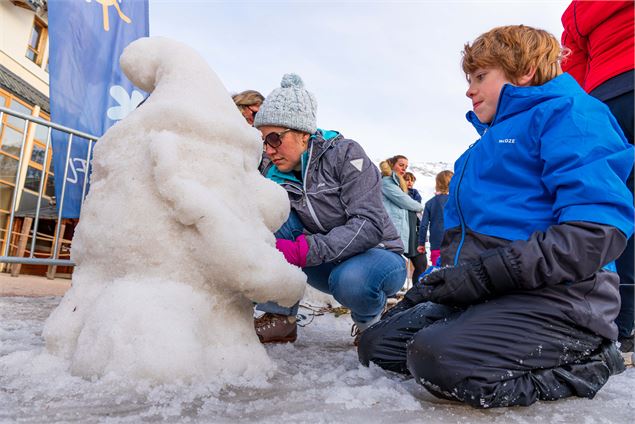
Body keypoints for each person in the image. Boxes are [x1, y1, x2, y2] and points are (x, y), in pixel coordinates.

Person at [358, 25, 634, 408]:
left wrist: (483, 275)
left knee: (440, 359)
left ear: (523, 72)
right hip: (493, 293)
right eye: (469, 79)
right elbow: (461, 237)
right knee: (379, 346)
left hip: (560, 299)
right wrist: (433, 287)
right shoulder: (480, 147)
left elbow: (594, 233)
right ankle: (476, 333)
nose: (469, 89)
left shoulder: (571, 115)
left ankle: (592, 360)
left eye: (481, 77)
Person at [252, 73, 406, 344]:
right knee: (267, 213)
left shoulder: (345, 155)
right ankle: (279, 317)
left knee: (352, 281)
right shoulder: (270, 169)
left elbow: (369, 225)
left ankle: (369, 323)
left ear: (302, 133)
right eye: (263, 141)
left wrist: (305, 250)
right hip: (326, 262)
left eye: (275, 138)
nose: (268, 150)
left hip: (377, 256)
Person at [561, 0, 634, 361]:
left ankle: (622, 321)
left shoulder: (580, 9)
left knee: (615, 209)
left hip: (607, 97)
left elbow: (572, 64)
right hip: (609, 93)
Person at [380, 157, 426, 283]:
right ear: (392, 165)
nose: (404, 169)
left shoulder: (398, 184)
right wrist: (419, 207)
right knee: (392, 262)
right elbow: (406, 202)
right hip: (395, 230)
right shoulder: (387, 182)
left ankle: (415, 292)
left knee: (420, 263)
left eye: (405, 167)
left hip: (408, 230)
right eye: (401, 165)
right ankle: (390, 292)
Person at [418, 170, 453, 267]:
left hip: (436, 244)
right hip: (454, 243)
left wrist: (421, 243)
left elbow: (423, 225)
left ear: (437, 183)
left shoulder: (430, 203)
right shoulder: (456, 201)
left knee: (437, 272)